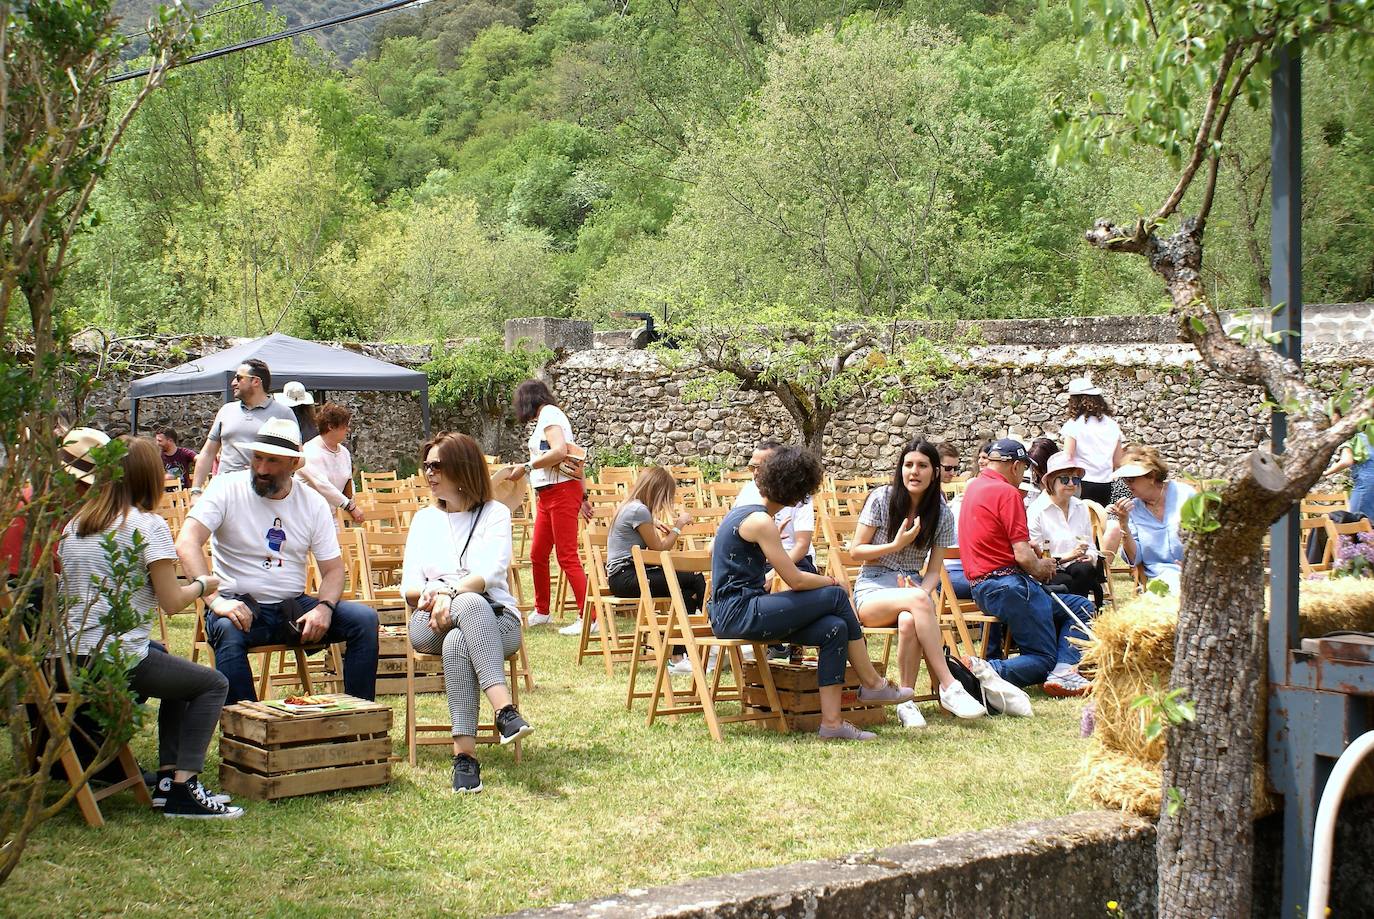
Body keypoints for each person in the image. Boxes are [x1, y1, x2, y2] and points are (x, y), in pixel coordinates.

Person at [59, 436, 242, 819]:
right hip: (113, 660)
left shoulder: (74, 525)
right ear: (150, 478)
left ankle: (166, 781)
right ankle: (183, 786)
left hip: (65, 661)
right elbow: (172, 602)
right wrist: (203, 586)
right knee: (212, 684)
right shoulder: (147, 525)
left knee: (176, 673)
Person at [710, 446, 915, 741]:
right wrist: (833, 581)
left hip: (740, 609)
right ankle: (872, 681)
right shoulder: (760, 521)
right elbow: (795, 580)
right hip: (738, 613)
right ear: (798, 494)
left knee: (834, 628)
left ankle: (832, 724)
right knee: (835, 596)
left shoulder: (751, 516)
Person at [176, 417, 379, 705]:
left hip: (291, 608)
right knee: (225, 627)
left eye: (272, 461)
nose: (261, 469)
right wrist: (215, 601)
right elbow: (186, 542)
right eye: (257, 458)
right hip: (238, 603)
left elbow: (333, 570)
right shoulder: (226, 487)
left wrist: (324, 607)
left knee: (364, 619)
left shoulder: (312, 502)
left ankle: (359, 720)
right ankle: (247, 731)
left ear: (294, 465)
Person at [401, 432, 533, 794]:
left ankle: (465, 758)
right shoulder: (423, 521)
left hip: (495, 619)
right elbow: (409, 587)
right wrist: (440, 593)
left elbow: (489, 574)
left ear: (463, 467)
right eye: (426, 465)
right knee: (466, 607)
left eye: (438, 465)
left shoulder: (494, 514)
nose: (429, 472)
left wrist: (451, 591)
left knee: (463, 627)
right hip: (429, 621)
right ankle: (504, 710)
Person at [849, 439, 987, 726]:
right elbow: (855, 551)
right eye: (908, 465)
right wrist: (895, 545)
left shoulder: (941, 513)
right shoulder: (881, 499)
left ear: (935, 472)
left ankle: (906, 701)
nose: (914, 471)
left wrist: (921, 591)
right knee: (917, 603)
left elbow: (934, 571)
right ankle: (949, 685)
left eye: (922, 466)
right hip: (873, 588)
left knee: (909, 620)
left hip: (911, 589)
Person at [960, 438, 1096, 698]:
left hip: (984, 587)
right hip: (1010, 587)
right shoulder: (1007, 492)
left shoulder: (975, 487)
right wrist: (1042, 565)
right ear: (1014, 466)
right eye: (1023, 468)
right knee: (1042, 658)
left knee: (1081, 606)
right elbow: (1024, 558)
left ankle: (1064, 670)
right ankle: (980, 671)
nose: (1023, 474)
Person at [507, 380, 589, 635]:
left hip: (561, 492)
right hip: (548, 494)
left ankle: (589, 617)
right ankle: (542, 611)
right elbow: (575, 457)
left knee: (566, 556)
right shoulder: (548, 417)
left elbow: (560, 451)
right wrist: (585, 496)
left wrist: (528, 467)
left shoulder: (550, 415)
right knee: (538, 553)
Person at [605, 467, 699, 672]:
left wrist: (654, 522)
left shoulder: (630, 506)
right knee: (694, 579)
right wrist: (678, 526)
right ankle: (715, 637)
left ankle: (679, 655)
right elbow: (660, 549)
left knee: (685, 592)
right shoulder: (639, 511)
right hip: (627, 576)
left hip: (624, 576)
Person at [189, 358, 295, 499]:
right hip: (224, 491)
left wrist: (264, 472)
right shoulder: (226, 410)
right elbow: (208, 453)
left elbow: (298, 458)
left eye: (239, 378)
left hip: (261, 494)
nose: (233, 383)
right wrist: (196, 491)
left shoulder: (283, 413)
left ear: (256, 381)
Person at [1028, 452, 1121, 608]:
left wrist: (1090, 557)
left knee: (1084, 570)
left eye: (1076, 479)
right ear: (1051, 481)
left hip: (1077, 569)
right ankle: (1075, 617)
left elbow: (1091, 547)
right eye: (1065, 479)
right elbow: (1037, 557)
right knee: (1066, 580)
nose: (1071, 483)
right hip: (1049, 570)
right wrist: (1068, 556)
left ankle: (1079, 616)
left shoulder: (1080, 507)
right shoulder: (1036, 511)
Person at [1111, 446, 1195, 593]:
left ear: (1151, 476)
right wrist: (1123, 523)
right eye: (1125, 479)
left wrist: (1196, 567)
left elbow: (1209, 536)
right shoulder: (1134, 509)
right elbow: (1134, 558)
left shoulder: (1186, 495)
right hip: (1160, 577)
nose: (1127, 484)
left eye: (1131, 479)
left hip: (1194, 571)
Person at [734, 440, 817, 573]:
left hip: (793, 560)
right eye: (752, 467)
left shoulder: (798, 494)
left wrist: (774, 574)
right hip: (757, 561)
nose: (755, 473)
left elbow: (802, 545)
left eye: (761, 467)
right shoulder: (748, 491)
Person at [1061, 378, 1124, 508]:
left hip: (1082, 482)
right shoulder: (1112, 425)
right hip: (1106, 483)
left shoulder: (1074, 425)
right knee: (1100, 520)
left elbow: (1068, 457)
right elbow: (1118, 461)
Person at [301, 402, 365, 524]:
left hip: (334, 518)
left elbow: (348, 482)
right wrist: (350, 507)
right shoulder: (310, 451)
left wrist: (352, 502)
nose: (348, 429)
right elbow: (323, 485)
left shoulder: (344, 452)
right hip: (308, 519)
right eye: (344, 425)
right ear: (331, 426)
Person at [937, 443, 973, 602]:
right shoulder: (932, 498)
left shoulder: (941, 496)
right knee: (993, 588)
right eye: (948, 468)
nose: (953, 473)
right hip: (942, 574)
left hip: (955, 570)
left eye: (955, 468)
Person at [1327, 426, 1374, 520]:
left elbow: (1347, 461)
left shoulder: (1351, 437)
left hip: (1366, 484)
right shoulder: (1368, 438)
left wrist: (1326, 472)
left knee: (1355, 522)